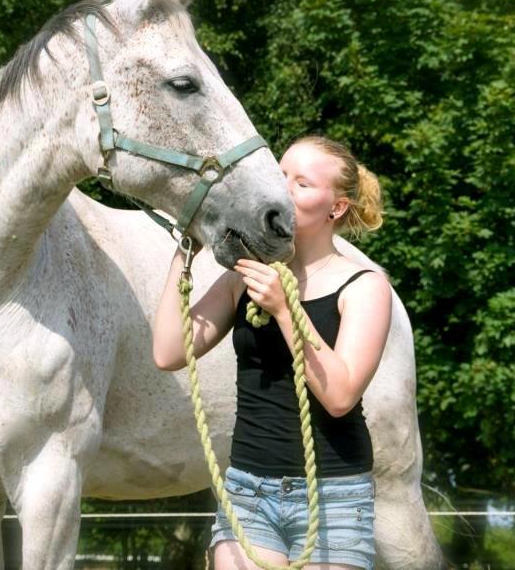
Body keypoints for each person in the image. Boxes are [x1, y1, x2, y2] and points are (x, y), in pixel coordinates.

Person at [152, 134, 392, 570]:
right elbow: (168, 350)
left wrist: (286, 310)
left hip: (334, 500)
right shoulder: (243, 280)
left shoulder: (365, 286)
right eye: (281, 175)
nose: (283, 188)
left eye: (301, 183)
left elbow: (340, 398)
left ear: (336, 207)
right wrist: (184, 251)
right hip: (249, 493)